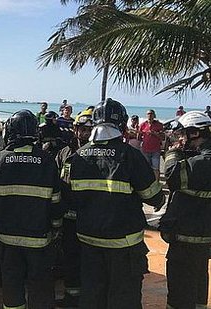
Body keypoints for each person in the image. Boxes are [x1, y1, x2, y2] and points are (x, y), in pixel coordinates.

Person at [62, 98, 165, 309]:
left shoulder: (78, 157)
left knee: (92, 295)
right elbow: (153, 196)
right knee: (123, 298)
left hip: (88, 240)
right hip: (124, 244)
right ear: (122, 124)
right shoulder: (130, 156)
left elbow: (69, 196)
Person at [0, 109, 62, 309]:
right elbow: (55, 201)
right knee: (40, 286)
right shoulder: (47, 161)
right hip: (39, 240)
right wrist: (55, 227)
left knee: (11, 284)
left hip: (6, 238)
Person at [159, 111, 211, 309]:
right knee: (198, 282)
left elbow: (172, 176)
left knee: (180, 291)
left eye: (183, 135)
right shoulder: (200, 158)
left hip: (186, 236)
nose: (181, 139)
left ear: (195, 134)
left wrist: (172, 152)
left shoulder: (201, 162)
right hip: (203, 237)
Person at [54, 108, 94, 307]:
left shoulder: (97, 155)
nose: (83, 134)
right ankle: (71, 297)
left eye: (87, 130)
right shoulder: (64, 153)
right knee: (70, 258)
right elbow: (55, 180)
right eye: (80, 129)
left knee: (89, 261)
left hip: (90, 218)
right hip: (68, 218)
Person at [140, 109, 164, 181]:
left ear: (154, 115)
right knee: (146, 168)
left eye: (151, 114)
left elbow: (162, 137)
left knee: (156, 168)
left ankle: (156, 183)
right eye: (148, 114)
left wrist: (155, 134)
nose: (150, 115)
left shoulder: (159, 125)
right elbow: (139, 135)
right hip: (145, 149)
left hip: (155, 149)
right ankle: (148, 182)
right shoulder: (143, 124)